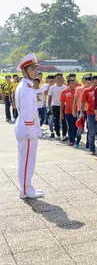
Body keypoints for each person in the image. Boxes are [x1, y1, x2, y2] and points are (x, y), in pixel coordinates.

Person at [15, 54, 44, 198]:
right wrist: (31, 130)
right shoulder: (26, 88)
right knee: (27, 160)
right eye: (32, 69)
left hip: (25, 126)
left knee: (25, 159)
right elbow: (27, 111)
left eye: (36, 68)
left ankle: (26, 187)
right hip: (27, 127)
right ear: (24, 71)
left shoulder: (26, 85)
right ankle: (26, 190)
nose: (36, 71)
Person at [81, 75, 97, 155]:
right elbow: (83, 102)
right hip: (90, 113)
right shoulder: (87, 91)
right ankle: (91, 148)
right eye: (95, 82)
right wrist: (81, 112)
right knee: (91, 131)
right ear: (92, 81)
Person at [47, 73, 67, 140]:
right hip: (55, 106)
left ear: (62, 79)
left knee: (64, 120)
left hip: (64, 105)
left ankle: (64, 134)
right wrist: (49, 107)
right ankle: (58, 134)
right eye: (57, 78)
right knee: (56, 121)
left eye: (60, 78)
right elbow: (50, 97)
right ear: (55, 79)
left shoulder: (65, 87)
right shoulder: (52, 88)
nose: (59, 80)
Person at [59, 77, 78, 147]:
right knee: (70, 126)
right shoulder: (64, 92)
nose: (73, 85)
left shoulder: (76, 91)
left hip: (76, 111)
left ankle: (75, 137)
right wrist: (61, 112)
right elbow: (62, 103)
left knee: (76, 125)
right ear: (68, 84)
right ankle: (71, 140)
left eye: (74, 83)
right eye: (72, 83)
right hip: (68, 111)